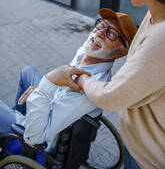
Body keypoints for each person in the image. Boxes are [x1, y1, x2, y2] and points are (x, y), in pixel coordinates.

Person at [46, 0, 165, 168]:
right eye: (100, 24)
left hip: (150, 160)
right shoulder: (154, 14)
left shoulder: (162, 37)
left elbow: (112, 96)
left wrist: (78, 79)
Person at [0, 12, 136, 153]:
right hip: (51, 106)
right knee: (27, 72)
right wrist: (45, 89)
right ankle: (14, 116)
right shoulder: (86, 53)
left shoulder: (90, 87)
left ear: (121, 53)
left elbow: (35, 138)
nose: (100, 33)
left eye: (111, 33)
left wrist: (45, 86)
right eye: (101, 25)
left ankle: (14, 128)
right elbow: (60, 93)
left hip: (38, 137)